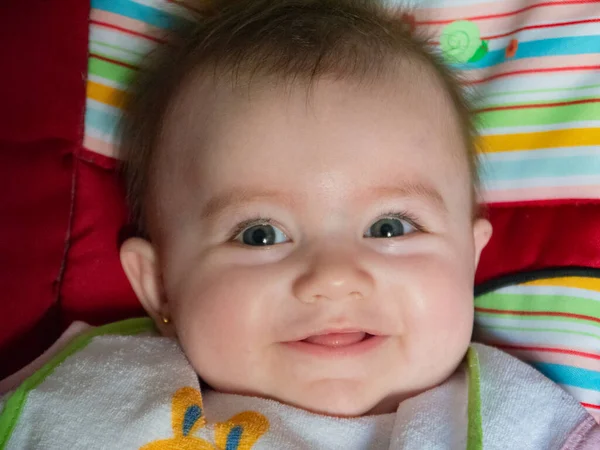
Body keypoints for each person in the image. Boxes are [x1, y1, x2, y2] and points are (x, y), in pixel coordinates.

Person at [1, 0, 598, 448]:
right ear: (159, 285)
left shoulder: (516, 426)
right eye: (260, 234)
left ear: (469, 258)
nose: (334, 278)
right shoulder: (97, 406)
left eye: (391, 227)